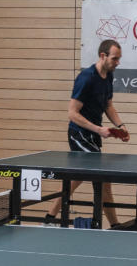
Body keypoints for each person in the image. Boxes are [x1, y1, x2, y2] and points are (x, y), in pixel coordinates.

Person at [46, 39, 129, 227]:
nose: (118, 62)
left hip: (92, 136)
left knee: (84, 179)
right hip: (79, 134)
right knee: (99, 178)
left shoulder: (108, 76)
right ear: (103, 56)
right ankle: (114, 225)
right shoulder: (86, 78)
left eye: (119, 59)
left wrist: (120, 125)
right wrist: (99, 129)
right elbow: (72, 113)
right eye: (115, 58)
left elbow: (108, 105)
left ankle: (49, 218)